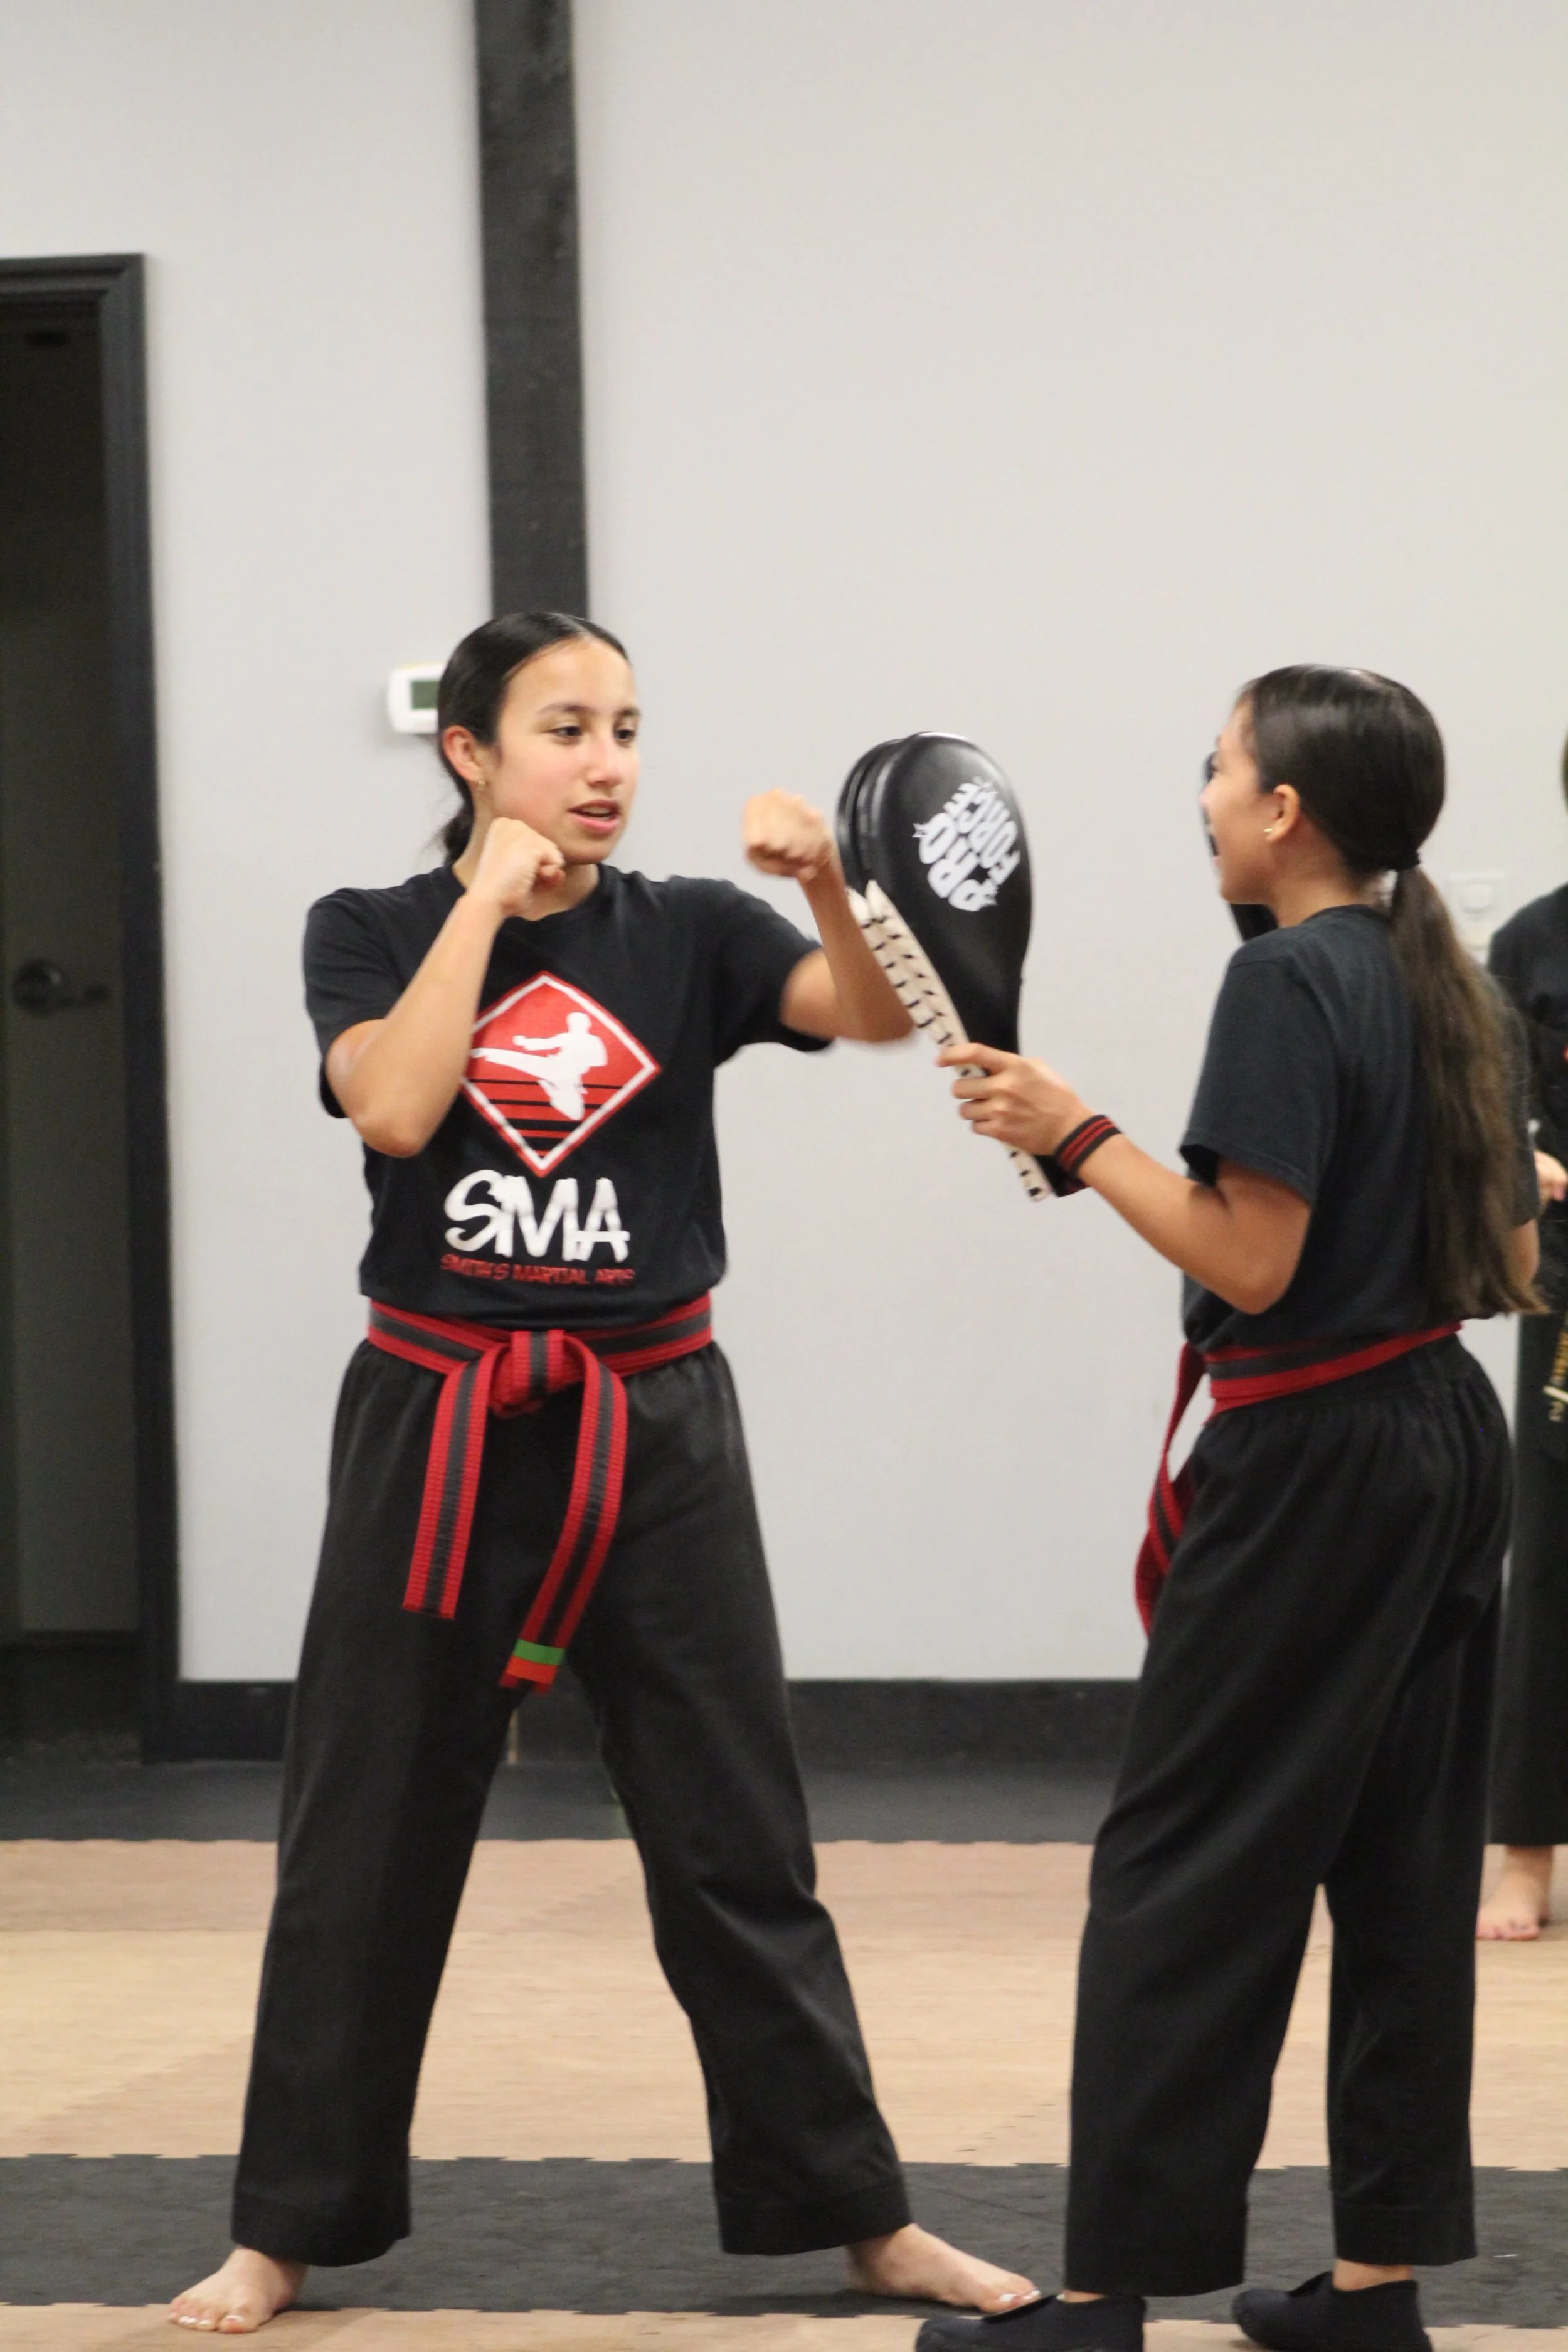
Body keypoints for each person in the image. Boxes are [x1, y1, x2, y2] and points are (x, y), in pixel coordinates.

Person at [169, 610, 1035, 2333]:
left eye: (629, 728)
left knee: (737, 1830)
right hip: (440, 1415)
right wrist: (483, 905)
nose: (610, 763)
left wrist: (824, 881)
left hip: (654, 1418)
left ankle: (860, 2214)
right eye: (566, 728)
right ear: (468, 752)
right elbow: (399, 1109)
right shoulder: (370, 928)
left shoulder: (690, 932)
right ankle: (282, 2227)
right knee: (363, 1833)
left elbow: (861, 1012)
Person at [916, 667, 1538, 2352]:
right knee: (1398, 1866)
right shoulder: (1446, 980)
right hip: (1437, 1435)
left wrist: (1077, 1125)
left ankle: (1104, 2298)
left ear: (1284, 813)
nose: (1198, 792)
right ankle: (1372, 2288)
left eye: (1216, 767)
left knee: (1180, 1870)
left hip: (1316, 1461)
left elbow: (1247, 1257)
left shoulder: (1281, 979)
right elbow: (1517, 1248)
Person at [1476, 734, 1568, 1941]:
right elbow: (1494, 1110)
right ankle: (1529, 1849)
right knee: (1548, 1562)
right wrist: (1527, 1160)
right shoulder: (1533, 946)